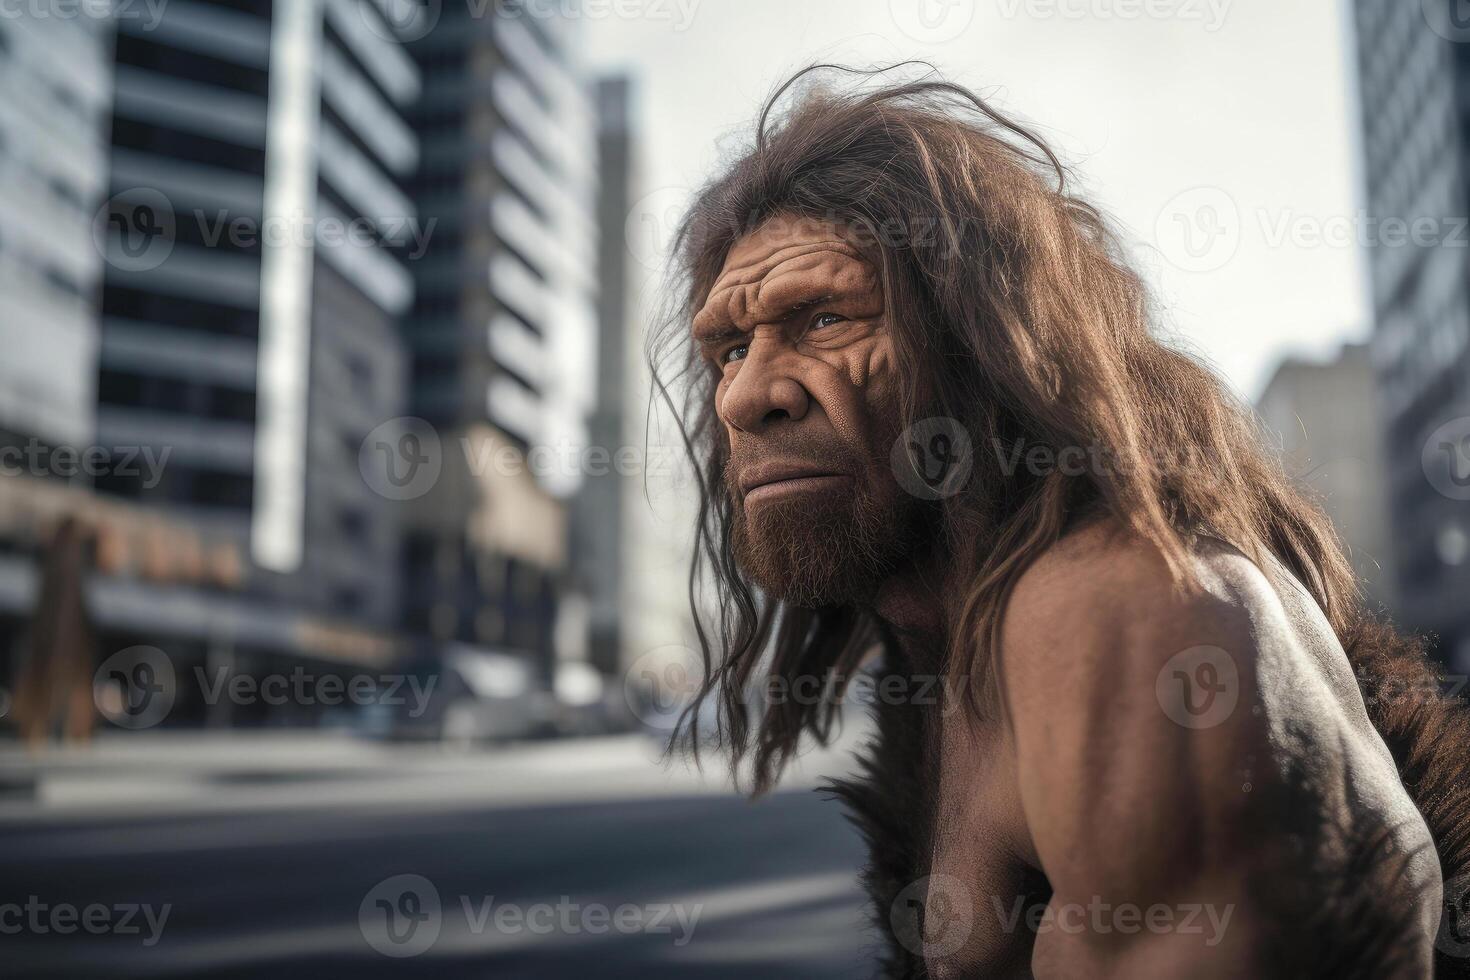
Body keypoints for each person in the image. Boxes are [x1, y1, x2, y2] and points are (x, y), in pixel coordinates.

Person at [656, 66, 1470, 977]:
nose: (744, 395)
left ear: (984, 345)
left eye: (824, 316)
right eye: (729, 347)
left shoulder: (1112, 606)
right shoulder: (963, 632)